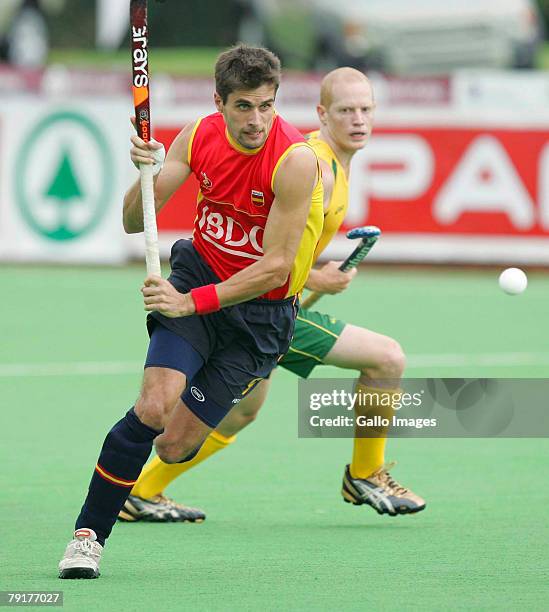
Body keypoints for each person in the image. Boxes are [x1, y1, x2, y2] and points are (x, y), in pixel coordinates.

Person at [57, 44, 324, 579]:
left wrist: (188, 302)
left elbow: (275, 269)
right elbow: (135, 220)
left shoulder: (295, 162)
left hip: (259, 319)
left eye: (267, 106)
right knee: (154, 405)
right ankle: (88, 536)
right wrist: (145, 172)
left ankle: (138, 467)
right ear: (219, 102)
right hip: (199, 278)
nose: (257, 120)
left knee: (175, 446)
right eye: (244, 106)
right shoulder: (199, 135)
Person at [120, 67, 425, 524]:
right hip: (261, 307)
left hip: (266, 301)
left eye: (366, 109)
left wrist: (316, 276)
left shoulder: (338, 167)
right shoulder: (315, 163)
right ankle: (366, 474)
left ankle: (143, 491)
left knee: (243, 412)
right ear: (323, 114)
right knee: (387, 359)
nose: (357, 120)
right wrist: (315, 281)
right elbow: (275, 259)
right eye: (346, 110)